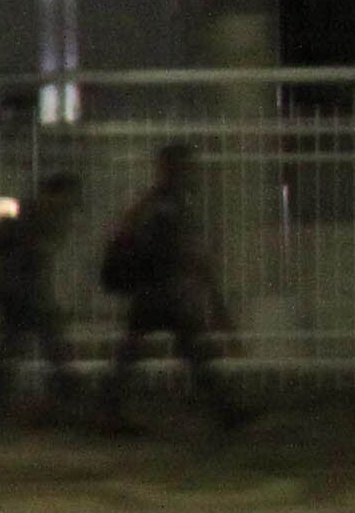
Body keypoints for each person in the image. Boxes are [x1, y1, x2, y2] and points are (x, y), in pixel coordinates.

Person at [98, 143, 250, 435]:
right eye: (185, 165)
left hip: (152, 290)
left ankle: (108, 409)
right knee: (188, 349)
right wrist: (202, 282)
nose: (190, 171)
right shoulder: (168, 204)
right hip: (162, 290)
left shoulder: (153, 201)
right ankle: (226, 411)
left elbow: (129, 232)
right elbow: (180, 248)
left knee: (144, 351)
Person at [0, 171, 83, 415]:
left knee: (15, 348)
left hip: (23, 287)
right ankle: (68, 399)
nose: (69, 204)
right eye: (66, 197)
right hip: (24, 289)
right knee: (48, 346)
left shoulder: (28, 209)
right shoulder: (25, 208)